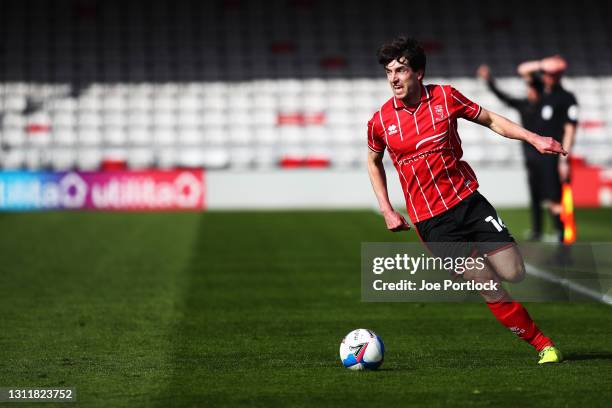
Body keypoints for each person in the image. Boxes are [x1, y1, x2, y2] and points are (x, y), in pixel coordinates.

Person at [366, 37, 565, 364]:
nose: (394, 79)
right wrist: (387, 209)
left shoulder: (446, 97)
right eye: (389, 72)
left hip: (469, 203)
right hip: (434, 223)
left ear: (418, 72)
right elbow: (373, 162)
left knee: (513, 272)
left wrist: (534, 138)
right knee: (487, 284)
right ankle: (543, 344)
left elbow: (491, 120)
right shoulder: (380, 121)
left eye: (401, 70)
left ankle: (492, 272)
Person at [476, 64, 546, 241]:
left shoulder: (547, 105)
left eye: (530, 87)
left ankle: (562, 232)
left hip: (548, 158)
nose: (528, 91)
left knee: (554, 198)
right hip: (531, 158)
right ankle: (538, 230)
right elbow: (504, 97)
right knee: (535, 196)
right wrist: (489, 81)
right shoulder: (524, 105)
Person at [517, 56, 578, 244]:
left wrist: (564, 158)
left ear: (558, 75)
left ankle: (564, 239)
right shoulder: (543, 92)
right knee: (542, 198)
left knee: (555, 199)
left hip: (553, 156)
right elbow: (522, 69)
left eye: (550, 74)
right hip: (537, 156)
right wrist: (543, 64)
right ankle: (556, 236)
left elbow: (570, 129)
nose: (545, 76)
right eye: (545, 73)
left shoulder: (566, 98)